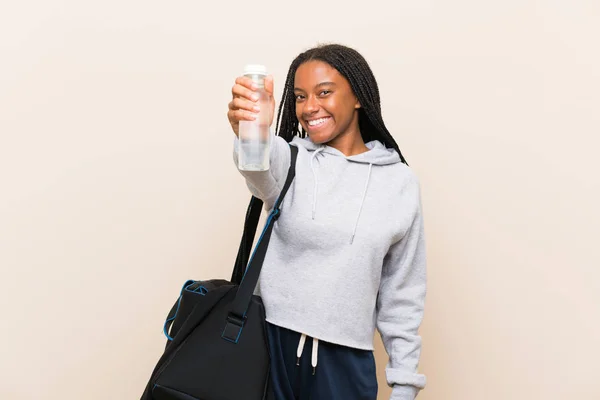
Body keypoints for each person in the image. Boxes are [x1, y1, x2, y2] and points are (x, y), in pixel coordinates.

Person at [227, 43, 427, 400]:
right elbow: (256, 167)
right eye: (301, 97)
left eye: (324, 93)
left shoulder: (399, 184)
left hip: (345, 362)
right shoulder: (291, 159)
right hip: (267, 347)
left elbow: (403, 295)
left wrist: (404, 383)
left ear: (358, 97)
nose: (309, 108)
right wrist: (251, 131)